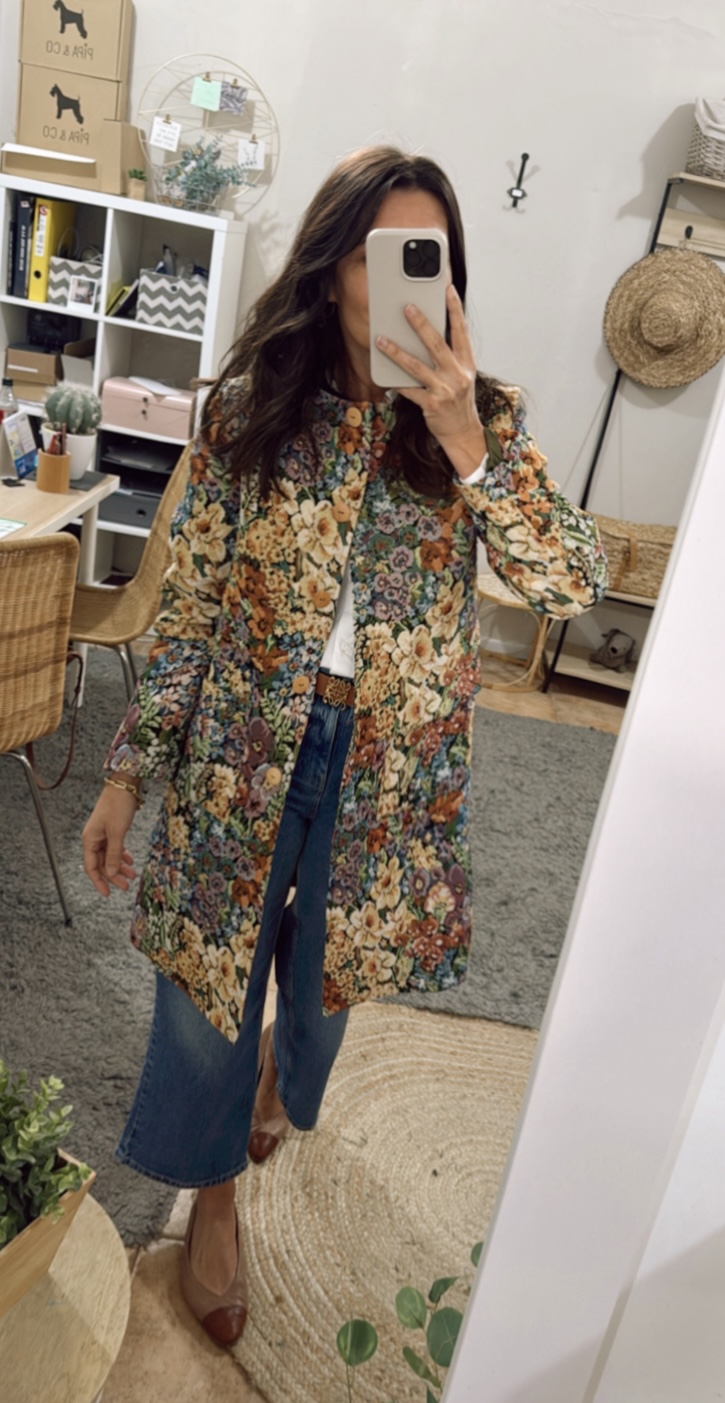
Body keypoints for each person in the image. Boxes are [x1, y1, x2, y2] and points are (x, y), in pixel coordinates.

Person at [82, 145, 607, 1347]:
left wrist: (464, 435)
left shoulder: (478, 422)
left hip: (388, 770)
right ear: (332, 271)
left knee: (325, 992)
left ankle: (281, 1071)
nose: (412, 283)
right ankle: (215, 1200)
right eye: (385, 256)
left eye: (432, 258)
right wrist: (126, 772)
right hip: (241, 745)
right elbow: (193, 606)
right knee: (206, 979)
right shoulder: (250, 408)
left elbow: (567, 581)